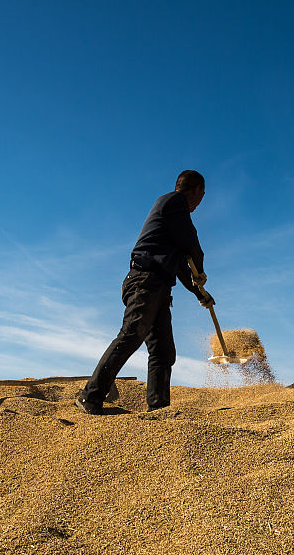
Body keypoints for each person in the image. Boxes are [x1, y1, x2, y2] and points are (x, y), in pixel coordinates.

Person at [76, 170, 214, 414]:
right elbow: (191, 244)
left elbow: (182, 263)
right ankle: (90, 396)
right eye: (202, 195)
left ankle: (159, 409)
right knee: (132, 333)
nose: (200, 202)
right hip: (144, 281)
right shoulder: (173, 202)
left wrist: (199, 292)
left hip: (158, 287)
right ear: (196, 189)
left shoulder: (174, 220)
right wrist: (200, 268)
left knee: (163, 351)